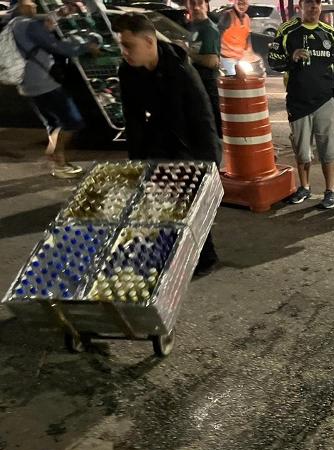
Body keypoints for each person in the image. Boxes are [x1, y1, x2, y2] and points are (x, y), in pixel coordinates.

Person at [113, 12, 221, 276]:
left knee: (188, 202)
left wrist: (207, 167)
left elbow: (202, 119)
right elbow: (134, 119)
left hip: (190, 142)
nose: (125, 52)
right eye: (121, 46)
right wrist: (137, 165)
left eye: (129, 45)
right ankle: (168, 251)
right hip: (159, 137)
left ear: (149, 42)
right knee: (159, 200)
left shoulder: (181, 70)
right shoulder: (128, 71)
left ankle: (203, 257)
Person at [11, 0, 101, 178]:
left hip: (27, 85)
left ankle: (56, 161)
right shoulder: (29, 25)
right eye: (30, 2)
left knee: (53, 124)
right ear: (21, 5)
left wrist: (59, 14)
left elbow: (42, 26)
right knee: (73, 122)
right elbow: (61, 48)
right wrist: (87, 45)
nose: (35, 5)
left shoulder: (15, 24)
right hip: (44, 83)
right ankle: (59, 158)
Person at [269, 0, 334, 209]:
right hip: (298, 102)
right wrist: (291, 58)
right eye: (309, 3)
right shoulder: (287, 31)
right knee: (301, 150)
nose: (314, 7)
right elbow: (274, 61)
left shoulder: (330, 33)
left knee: (329, 150)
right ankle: (304, 187)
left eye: (317, 3)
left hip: (325, 102)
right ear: (300, 6)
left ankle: (330, 191)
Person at [187, 0, 222, 137]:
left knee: (212, 127)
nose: (196, 7)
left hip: (207, 83)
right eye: (192, 3)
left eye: (199, 3)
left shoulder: (209, 29)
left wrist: (187, 52)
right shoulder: (192, 26)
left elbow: (212, 61)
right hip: (196, 82)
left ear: (206, 6)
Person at [217, 0, 253, 75]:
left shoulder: (247, 18)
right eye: (239, 4)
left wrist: (248, 52)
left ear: (248, 5)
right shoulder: (228, 15)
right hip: (227, 58)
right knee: (234, 78)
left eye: (244, 4)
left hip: (241, 58)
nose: (241, 6)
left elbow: (247, 36)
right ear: (235, 3)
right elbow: (218, 33)